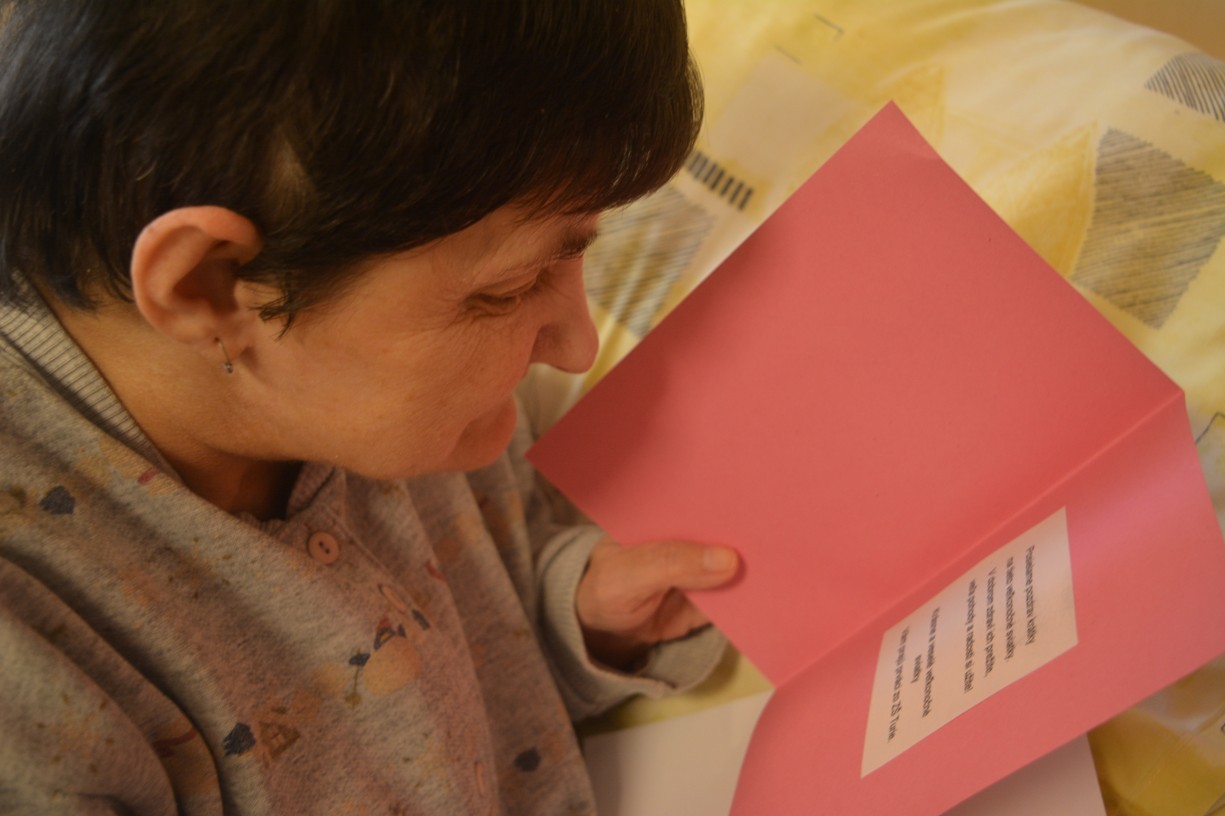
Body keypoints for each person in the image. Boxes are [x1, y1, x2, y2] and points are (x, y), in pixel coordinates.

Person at [0, 1, 741, 812]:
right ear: (208, 285)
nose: (574, 346)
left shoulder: (406, 395)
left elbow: (465, 658)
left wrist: (578, 623)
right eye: (512, 286)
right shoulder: (29, 675)